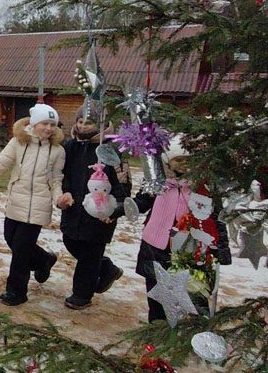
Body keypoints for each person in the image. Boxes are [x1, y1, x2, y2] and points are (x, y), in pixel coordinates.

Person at [0, 104, 69, 306]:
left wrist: (59, 199)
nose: (49, 128)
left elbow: (56, 180)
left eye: (53, 124)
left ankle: (16, 291)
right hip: (16, 202)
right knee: (11, 240)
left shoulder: (58, 151)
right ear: (34, 124)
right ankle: (44, 260)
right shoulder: (18, 143)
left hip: (38, 207)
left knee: (21, 251)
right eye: (44, 123)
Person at [131, 136, 231, 322]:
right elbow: (141, 203)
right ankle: (155, 331)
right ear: (169, 161)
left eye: (189, 160)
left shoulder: (203, 187)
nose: (184, 164)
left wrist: (222, 248)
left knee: (194, 294)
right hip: (155, 247)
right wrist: (117, 210)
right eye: (179, 159)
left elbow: (217, 217)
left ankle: (192, 332)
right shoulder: (158, 183)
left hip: (191, 249)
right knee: (157, 296)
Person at [59, 105, 127, 310]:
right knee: (70, 241)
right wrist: (65, 191)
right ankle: (106, 268)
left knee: (90, 254)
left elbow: (122, 183)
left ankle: (82, 295)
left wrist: (115, 210)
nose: (82, 126)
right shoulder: (70, 147)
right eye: (80, 121)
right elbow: (65, 174)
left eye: (88, 122)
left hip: (100, 213)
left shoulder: (110, 150)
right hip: (73, 208)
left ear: (101, 125)